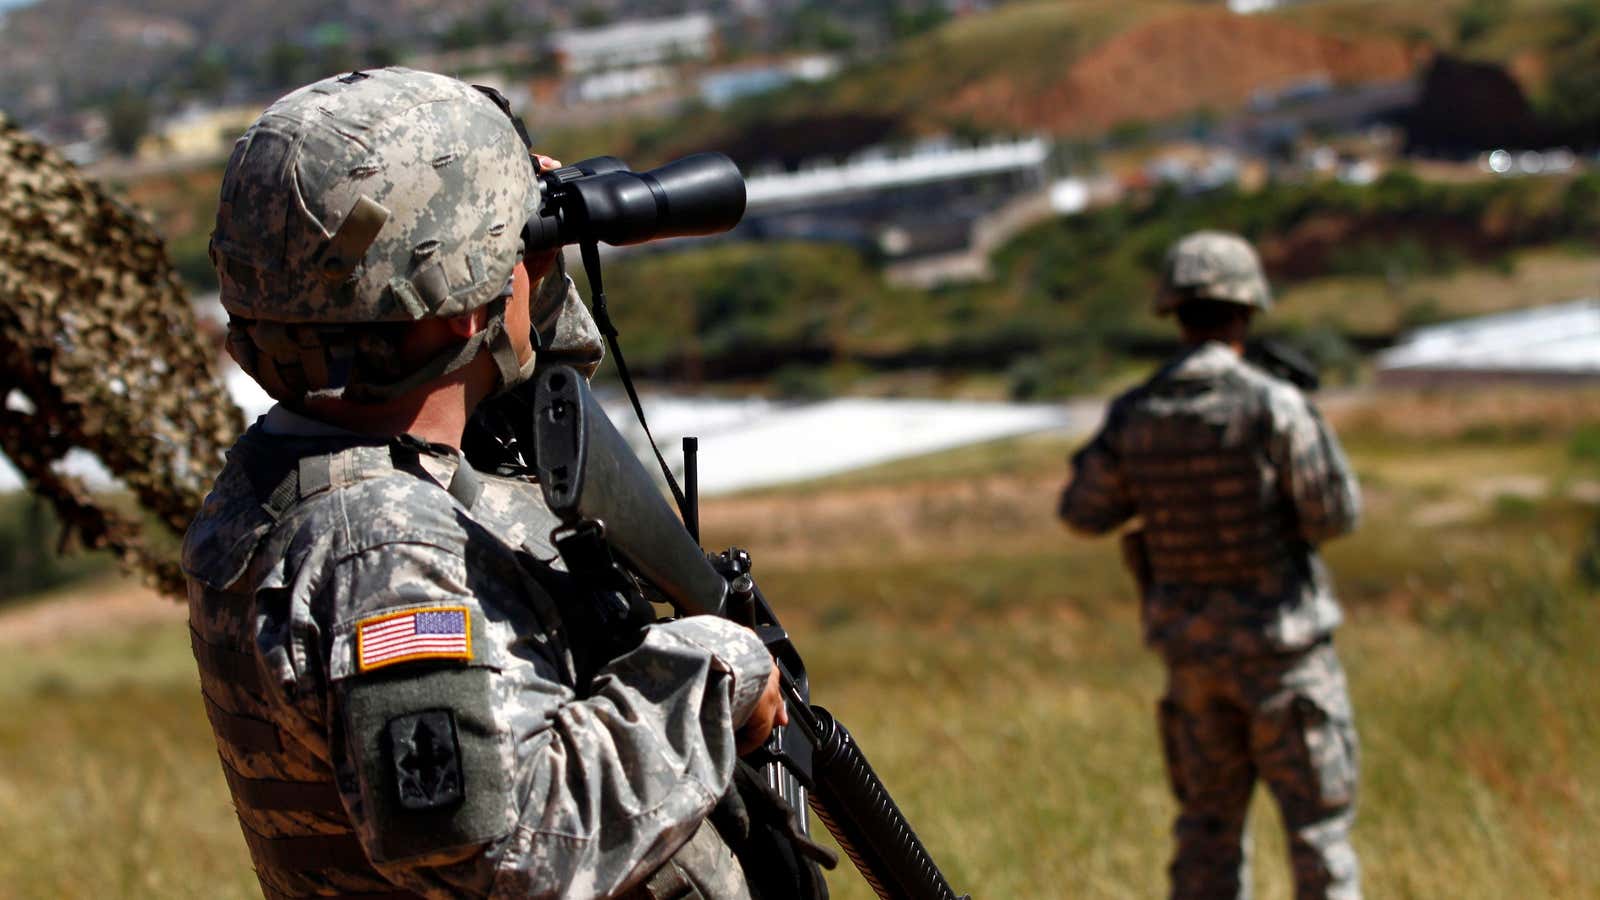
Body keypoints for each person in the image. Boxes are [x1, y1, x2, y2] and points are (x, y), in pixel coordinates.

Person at [182, 67, 796, 899]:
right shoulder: (385, 546)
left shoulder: (284, 478)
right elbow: (510, 855)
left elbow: (528, 408)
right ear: (467, 304)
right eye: (514, 249)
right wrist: (717, 675)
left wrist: (511, 253)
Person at [1058, 231, 1363, 899]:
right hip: (1286, 660)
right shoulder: (1273, 405)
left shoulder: (1137, 413)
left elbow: (1083, 510)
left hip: (1193, 665)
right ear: (1246, 309)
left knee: (1206, 835)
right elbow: (1334, 514)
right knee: (1318, 838)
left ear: (1175, 312)